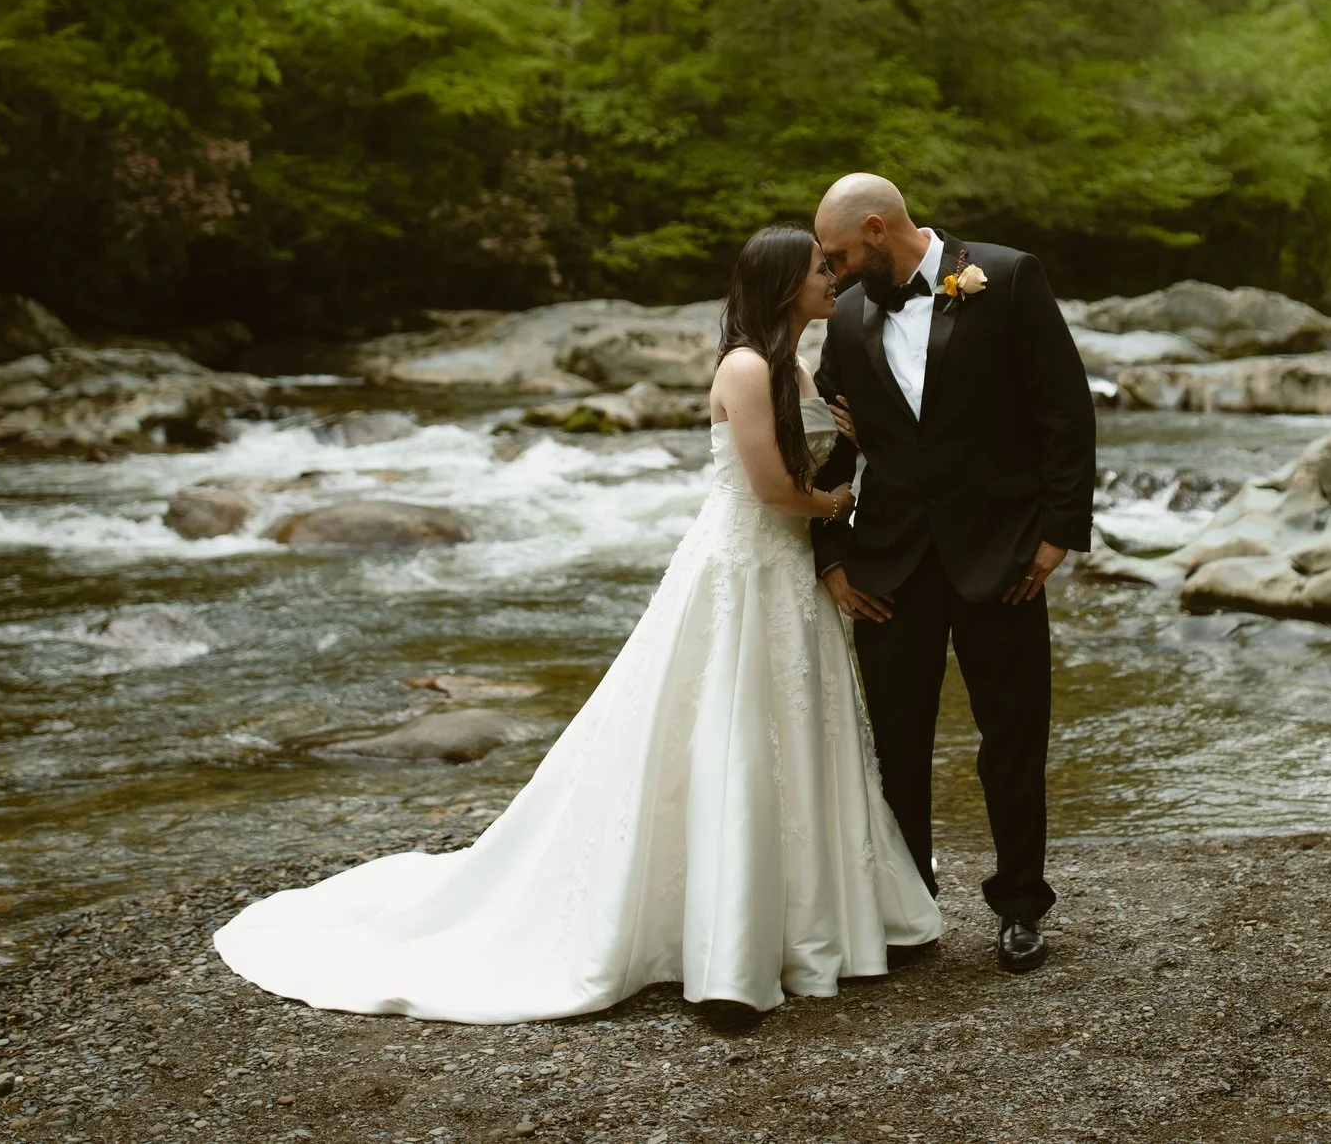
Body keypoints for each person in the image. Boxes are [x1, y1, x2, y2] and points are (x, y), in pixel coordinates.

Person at [212, 225, 939, 1022]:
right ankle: (725, 945)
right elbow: (771, 488)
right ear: (780, 284)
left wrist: (853, 447)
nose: (831, 278)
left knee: (797, 734)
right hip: (741, 569)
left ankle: (814, 920)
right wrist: (842, 503)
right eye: (817, 269)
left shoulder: (794, 365)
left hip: (787, 577)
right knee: (729, 733)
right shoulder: (743, 366)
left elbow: (806, 462)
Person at [808, 173, 1096, 974]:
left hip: (1004, 555)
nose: (829, 272)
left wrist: (1056, 535)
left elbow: (1065, 412)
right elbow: (828, 443)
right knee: (897, 742)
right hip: (889, 560)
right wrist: (830, 555)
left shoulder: (1005, 277)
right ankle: (909, 912)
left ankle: (1018, 906)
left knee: (1012, 734)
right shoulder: (852, 314)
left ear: (875, 228)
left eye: (836, 254)